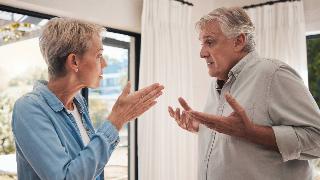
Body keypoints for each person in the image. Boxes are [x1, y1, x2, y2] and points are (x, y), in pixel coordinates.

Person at [168, 7, 320, 180]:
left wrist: (251, 132)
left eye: (209, 42)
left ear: (239, 41)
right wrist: (202, 129)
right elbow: (233, 140)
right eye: (202, 44)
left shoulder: (273, 74)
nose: (202, 53)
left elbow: (317, 138)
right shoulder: (216, 85)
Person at [12, 17, 164, 180]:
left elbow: (89, 167)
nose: (104, 63)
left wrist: (120, 119)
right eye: (99, 55)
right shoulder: (29, 109)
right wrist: (115, 121)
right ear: (74, 61)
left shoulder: (78, 104)